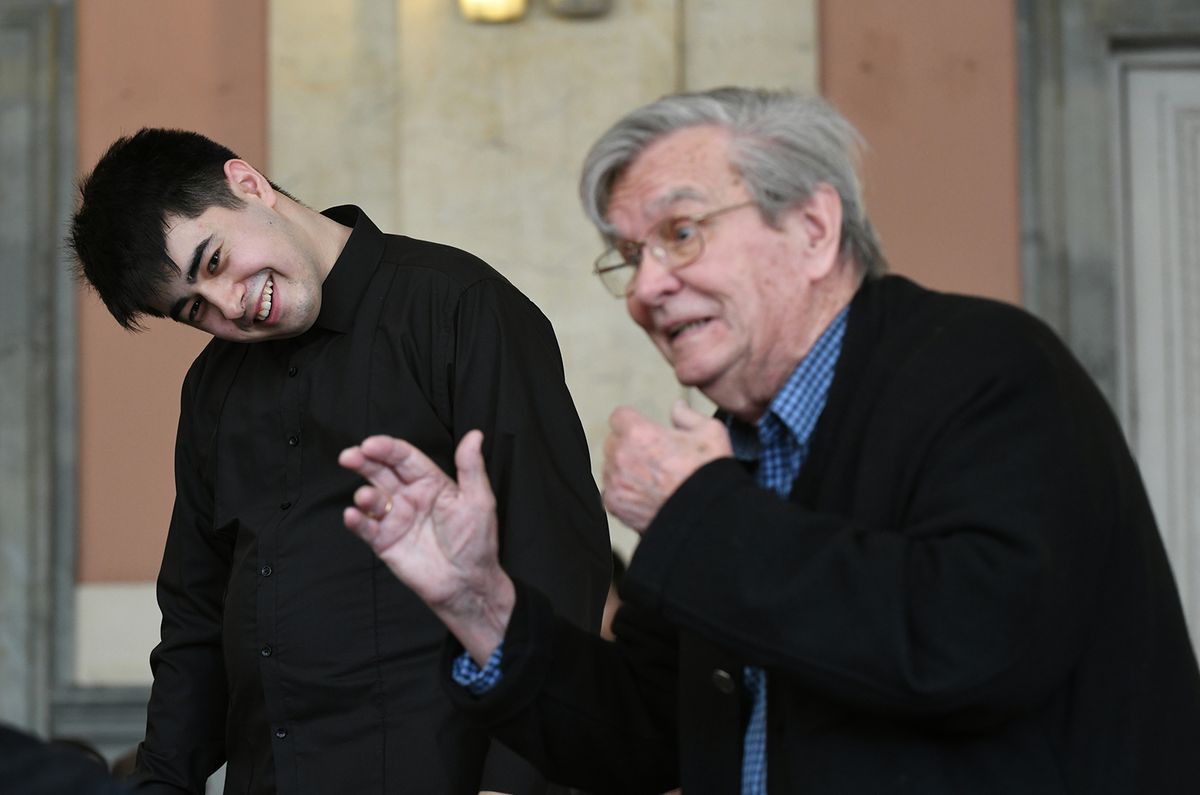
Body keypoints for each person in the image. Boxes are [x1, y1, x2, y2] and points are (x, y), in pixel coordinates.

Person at [338, 87, 1200, 794]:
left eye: (680, 234)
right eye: (628, 256)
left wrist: (698, 515)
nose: (645, 289)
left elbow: (971, 649)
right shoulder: (732, 451)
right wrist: (478, 602)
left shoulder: (987, 367)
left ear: (814, 229)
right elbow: (642, 734)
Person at [69, 128, 610, 794]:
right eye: (195, 309)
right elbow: (195, 618)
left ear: (248, 184)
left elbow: (554, 555)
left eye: (214, 261)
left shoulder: (457, 305)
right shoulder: (212, 387)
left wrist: (512, 783)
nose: (231, 306)